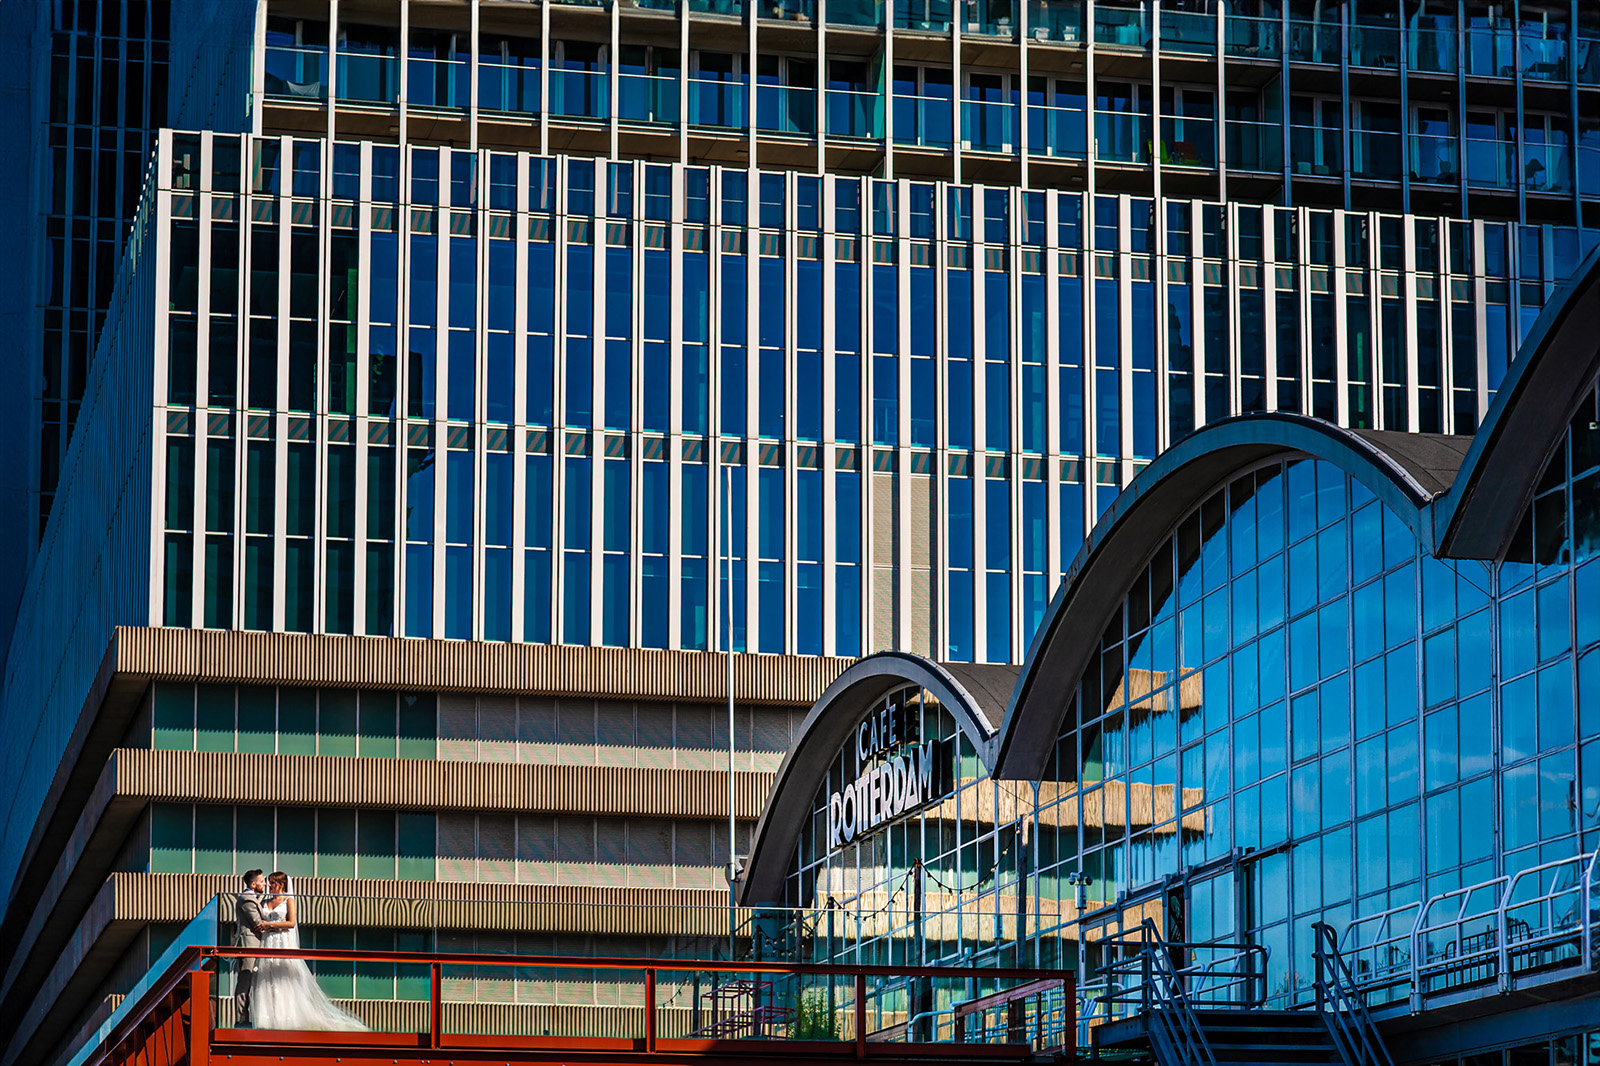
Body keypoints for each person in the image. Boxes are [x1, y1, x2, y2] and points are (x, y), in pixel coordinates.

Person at [248, 872, 369, 1031]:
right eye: (269, 882)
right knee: (267, 977)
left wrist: (270, 925)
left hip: (282, 942)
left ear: (282, 885)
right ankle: (267, 1019)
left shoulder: (288, 901)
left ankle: (286, 1018)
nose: (270, 885)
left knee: (284, 976)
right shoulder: (264, 901)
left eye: (273, 882)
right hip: (268, 942)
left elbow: (291, 923)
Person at [232, 869, 268, 1026]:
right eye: (262, 881)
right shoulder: (247, 899)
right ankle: (241, 1020)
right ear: (253, 885)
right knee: (245, 982)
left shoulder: (253, 899)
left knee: (250, 982)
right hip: (248, 944)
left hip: (255, 945)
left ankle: (247, 1018)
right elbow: (257, 924)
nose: (265, 884)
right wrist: (279, 926)